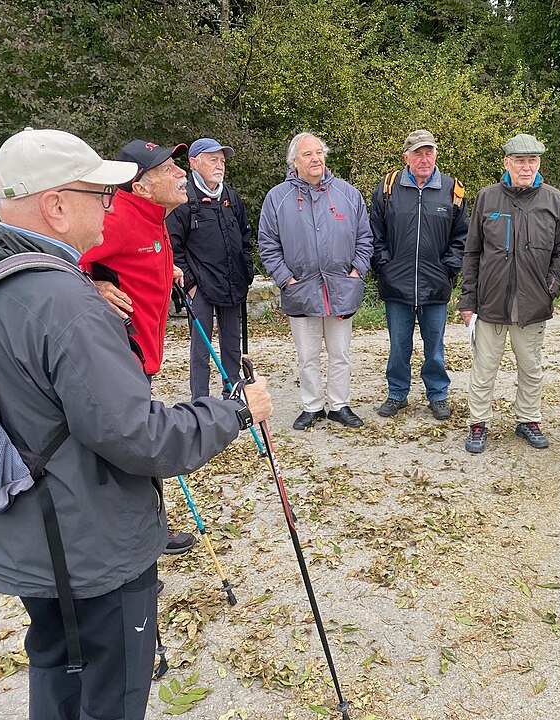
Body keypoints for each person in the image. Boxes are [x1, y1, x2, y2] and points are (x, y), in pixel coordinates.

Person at [0, 127, 273, 720]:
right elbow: (141, 437)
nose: (109, 206)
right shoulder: (65, 304)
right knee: (110, 694)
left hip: (32, 539)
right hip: (91, 547)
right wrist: (238, 410)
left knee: (58, 678)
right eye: (99, 194)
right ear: (56, 206)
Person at [79, 139, 197, 555]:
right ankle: (142, 539)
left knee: (136, 445)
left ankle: (146, 531)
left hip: (142, 354)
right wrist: (93, 285)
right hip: (121, 356)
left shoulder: (154, 216)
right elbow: (61, 258)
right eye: (168, 169)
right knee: (134, 447)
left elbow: (132, 260)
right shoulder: (118, 217)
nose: (181, 173)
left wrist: (167, 269)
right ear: (140, 186)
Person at [457, 133, 560, 453]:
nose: (526, 167)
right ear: (506, 163)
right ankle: (479, 423)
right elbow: (472, 252)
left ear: (539, 163)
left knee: (530, 367)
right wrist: (468, 299)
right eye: (520, 160)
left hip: (532, 302)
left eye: (532, 160)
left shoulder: (554, 200)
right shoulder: (487, 198)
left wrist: (551, 287)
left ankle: (528, 419)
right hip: (491, 301)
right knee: (484, 368)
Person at [258, 132, 374, 430]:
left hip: (341, 288)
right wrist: (286, 279)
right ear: (294, 161)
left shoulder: (348, 194)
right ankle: (312, 406)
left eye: (319, 152)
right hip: (300, 289)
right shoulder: (277, 198)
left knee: (340, 354)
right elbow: (268, 243)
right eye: (308, 154)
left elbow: (365, 236)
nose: (315, 159)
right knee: (307, 356)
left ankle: (339, 405)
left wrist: (357, 271)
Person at [370, 129, 468, 421]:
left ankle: (438, 394)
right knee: (398, 345)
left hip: (435, 284)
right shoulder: (388, 188)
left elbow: (462, 236)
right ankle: (397, 393)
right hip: (396, 284)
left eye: (429, 153)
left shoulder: (452, 190)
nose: (424, 159)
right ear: (406, 157)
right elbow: (374, 233)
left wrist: (448, 268)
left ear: (436, 155)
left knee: (435, 347)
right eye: (418, 154)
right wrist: (384, 266)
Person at [167, 138, 254, 400]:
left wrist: (246, 273)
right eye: (213, 160)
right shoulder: (183, 199)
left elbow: (245, 238)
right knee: (201, 351)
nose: (220, 165)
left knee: (232, 346)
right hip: (200, 288)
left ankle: (233, 397)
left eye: (222, 160)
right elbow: (172, 246)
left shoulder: (231, 197)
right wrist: (191, 285)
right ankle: (200, 403)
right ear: (194, 163)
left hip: (232, 283)